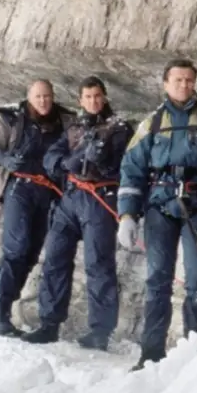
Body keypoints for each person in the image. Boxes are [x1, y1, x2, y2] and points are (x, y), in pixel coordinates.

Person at [118, 59, 197, 369]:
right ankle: (150, 353)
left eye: (189, 80)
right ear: (165, 83)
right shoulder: (152, 123)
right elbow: (131, 170)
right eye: (178, 80)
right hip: (161, 207)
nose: (184, 85)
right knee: (157, 280)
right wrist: (127, 216)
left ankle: (195, 357)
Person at [22, 76, 133, 351]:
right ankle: (49, 324)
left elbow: (126, 166)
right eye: (88, 97)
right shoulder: (74, 127)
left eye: (98, 96)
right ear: (80, 100)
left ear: (104, 97)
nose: (93, 101)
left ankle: (100, 331)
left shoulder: (120, 128)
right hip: (71, 198)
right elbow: (50, 158)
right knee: (55, 259)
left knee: (98, 264)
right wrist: (67, 162)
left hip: (100, 197)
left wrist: (103, 162)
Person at [0, 80, 75, 336]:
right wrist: (3, 158)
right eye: (38, 96)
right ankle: (1, 312)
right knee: (16, 248)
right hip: (19, 188)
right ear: (29, 97)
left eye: (47, 96)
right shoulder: (10, 118)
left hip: (49, 193)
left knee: (31, 253)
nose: (43, 101)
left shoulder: (65, 120)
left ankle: (6, 311)